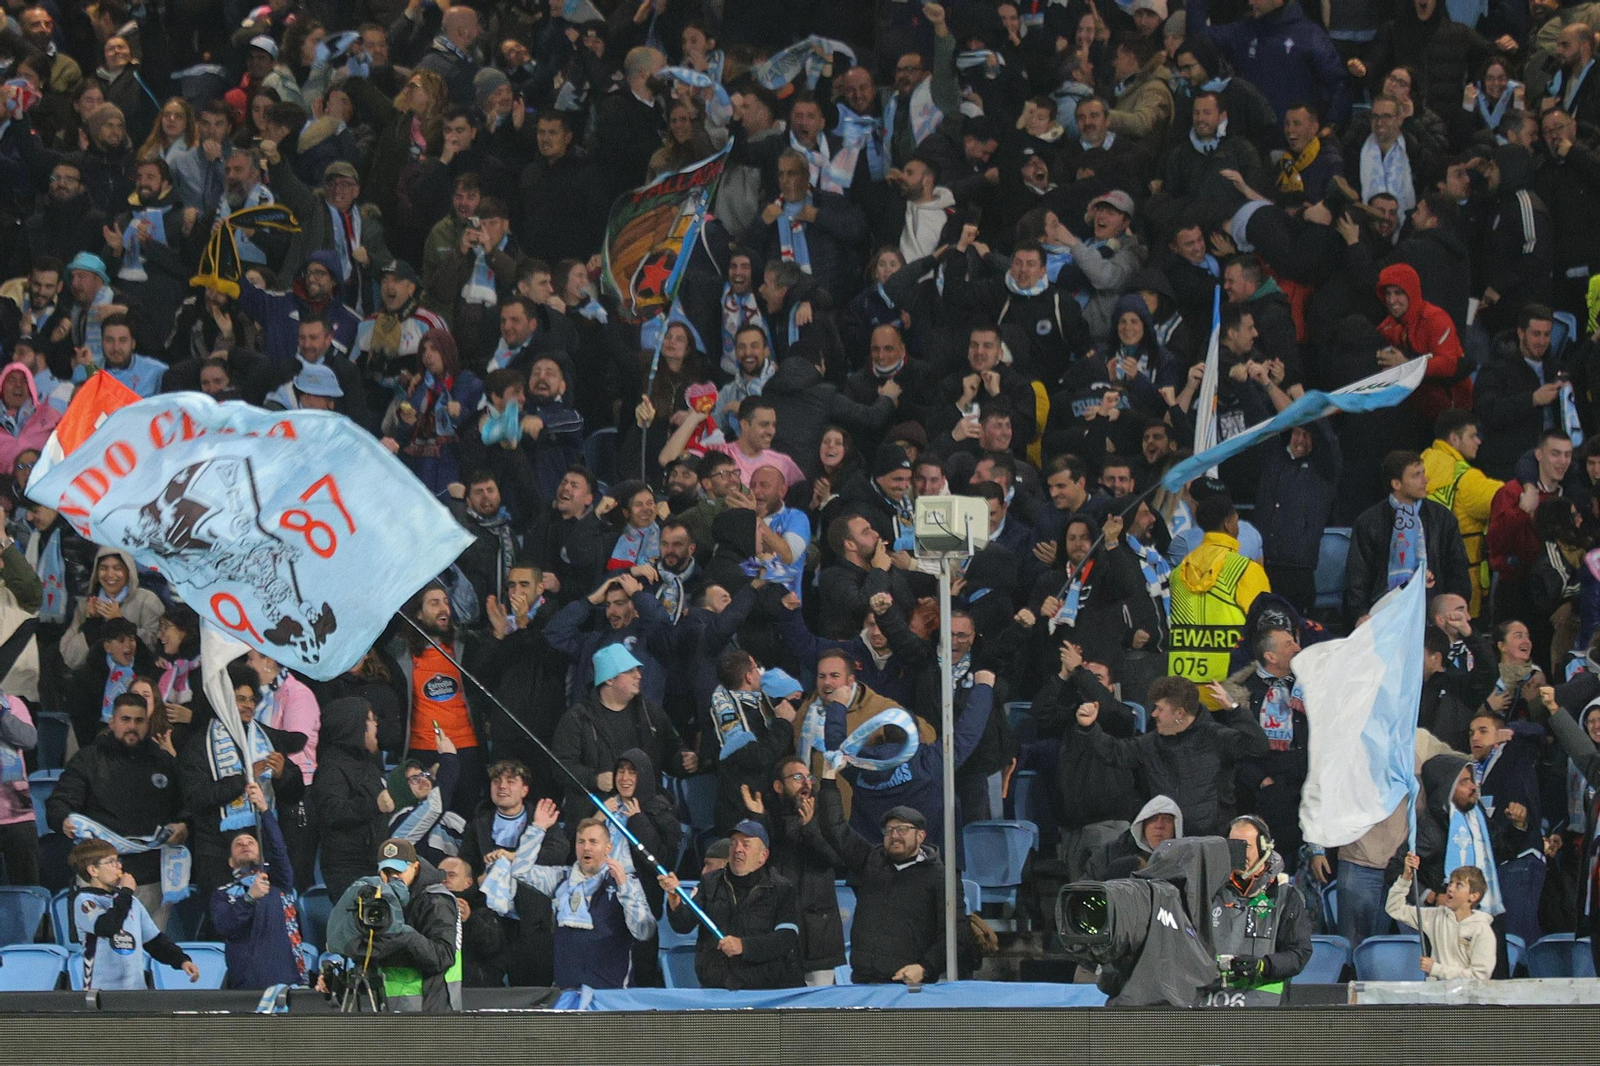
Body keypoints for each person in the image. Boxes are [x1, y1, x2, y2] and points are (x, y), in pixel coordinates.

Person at [50, 692, 187, 930]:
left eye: (139, 720)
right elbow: (60, 801)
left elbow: (187, 806)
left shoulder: (165, 763)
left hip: (151, 876)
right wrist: (63, 820)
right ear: (112, 722)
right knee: (101, 951)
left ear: (148, 723)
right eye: (125, 719)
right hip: (100, 878)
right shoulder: (88, 760)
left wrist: (184, 825)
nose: (132, 726)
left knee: (152, 952)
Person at [1075, 675, 1270, 836]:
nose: (1153, 715)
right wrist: (1089, 728)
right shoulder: (1150, 744)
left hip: (1213, 840)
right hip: (1165, 843)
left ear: (1179, 713)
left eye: (1160, 709)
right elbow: (1115, 753)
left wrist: (1234, 709)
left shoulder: (1216, 737)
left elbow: (1257, 746)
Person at [507, 813, 657, 988]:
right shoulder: (561, 878)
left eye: (593, 842)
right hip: (566, 991)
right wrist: (537, 829)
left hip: (610, 995)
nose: (586, 847)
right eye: (581, 842)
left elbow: (644, 931)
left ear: (608, 848)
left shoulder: (626, 882)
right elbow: (519, 872)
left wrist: (624, 888)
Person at [659, 819, 803, 990]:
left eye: (746, 845)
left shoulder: (782, 889)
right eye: (734, 843)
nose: (738, 849)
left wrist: (744, 946)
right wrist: (674, 898)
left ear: (763, 856)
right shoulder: (709, 882)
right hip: (716, 988)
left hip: (764, 992)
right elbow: (684, 925)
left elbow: (785, 939)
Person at [456, 771, 569, 987]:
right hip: (491, 926)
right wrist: (480, 879)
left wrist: (512, 858)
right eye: (496, 781)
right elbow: (466, 867)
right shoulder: (478, 825)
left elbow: (558, 853)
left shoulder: (542, 821)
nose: (502, 787)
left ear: (525, 789)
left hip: (532, 924)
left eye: (510, 781)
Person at [326, 838, 463, 1012]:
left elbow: (442, 957)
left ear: (416, 866)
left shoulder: (436, 900)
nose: (394, 876)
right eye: (387, 871)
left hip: (432, 1005)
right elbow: (380, 955)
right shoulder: (380, 900)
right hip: (393, 1006)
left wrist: (404, 935)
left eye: (400, 869)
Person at [1344, 450, 1472, 624]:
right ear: (1396, 484)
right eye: (1416, 475)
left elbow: (1457, 568)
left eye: (1423, 473)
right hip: (1384, 611)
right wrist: (1360, 613)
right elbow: (1358, 575)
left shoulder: (1442, 518)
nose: (1425, 480)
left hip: (1434, 612)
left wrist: (1455, 608)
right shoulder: (1369, 522)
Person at [1168, 494, 1271, 700]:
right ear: (1228, 523)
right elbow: (1266, 626)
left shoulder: (1178, 573)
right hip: (1231, 688)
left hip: (1185, 688)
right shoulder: (1245, 570)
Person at [1203, 816, 1312, 1007]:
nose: (1238, 852)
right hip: (1210, 1006)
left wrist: (1264, 966)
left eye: (1246, 846)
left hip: (1265, 1013)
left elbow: (1299, 954)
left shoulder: (1286, 897)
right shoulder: (1207, 892)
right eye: (1233, 845)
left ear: (1264, 847)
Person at [209, 782, 307, 989]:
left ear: (262, 854)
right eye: (238, 844)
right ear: (230, 861)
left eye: (251, 842)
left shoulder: (279, 881)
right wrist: (249, 898)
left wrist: (264, 810)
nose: (245, 845)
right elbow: (225, 926)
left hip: (287, 981)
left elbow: (279, 849)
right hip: (246, 987)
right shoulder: (222, 895)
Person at [69, 840, 200, 990]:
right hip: (101, 992)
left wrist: (181, 960)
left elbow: (154, 941)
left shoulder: (132, 902)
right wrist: (125, 891)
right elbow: (108, 926)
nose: (119, 866)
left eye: (118, 860)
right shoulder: (85, 901)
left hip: (135, 991)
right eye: (111, 862)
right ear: (93, 870)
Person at [1422, 411, 1503, 618]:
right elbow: (1508, 499)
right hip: (1463, 586)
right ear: (1454, 439)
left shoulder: (1422, 464)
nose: (1478, 441)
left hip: (1427, 578)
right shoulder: (1467, 479)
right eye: (1472, 435)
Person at [309, 698, 389, 904]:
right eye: (370, 720)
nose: (376, 725)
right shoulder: (332, 768)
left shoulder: (368, 764)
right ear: (355, 726)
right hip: (348, 871)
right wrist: (373, 805)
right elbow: (331, 812)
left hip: (374, 865)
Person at [1388, 853, 1496, 981]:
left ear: (1473, 896)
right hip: (1435, 995)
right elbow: (1395, 909)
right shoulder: (1435, 916)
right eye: (1450, 883)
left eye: (1458, 885)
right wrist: (1406, 878)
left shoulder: (1481, 930)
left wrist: (1436, 969)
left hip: (1466, 998)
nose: (1450, 888)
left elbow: (1480, 976)